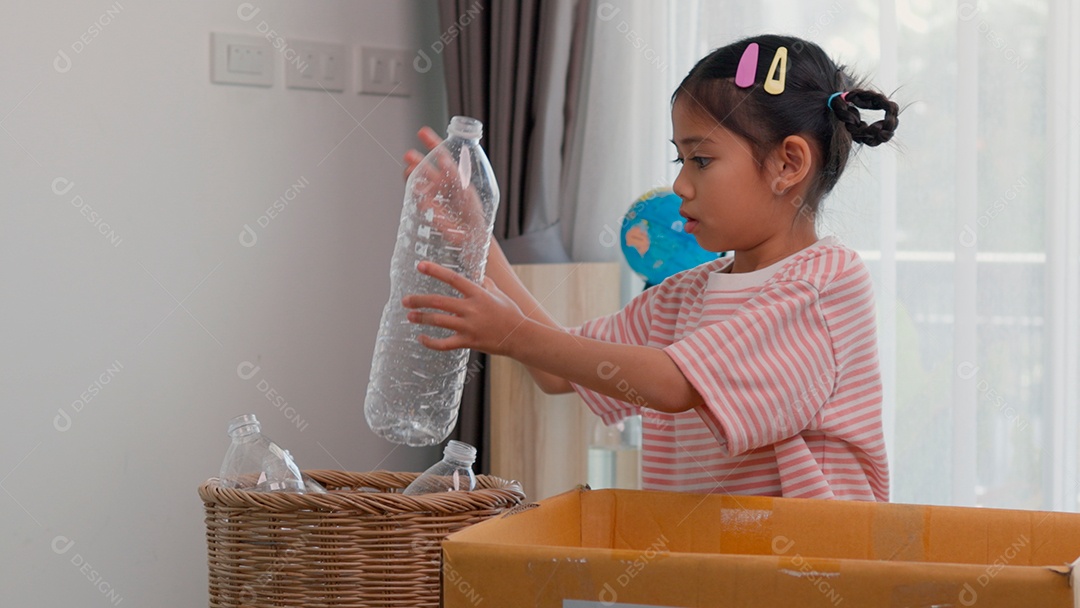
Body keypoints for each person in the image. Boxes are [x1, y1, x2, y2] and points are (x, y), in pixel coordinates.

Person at [401, 34, 899, 501]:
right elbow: (560, 370)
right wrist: (479, 240)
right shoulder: (682, 295)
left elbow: (675, 384)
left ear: (789, 165)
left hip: (810, 580)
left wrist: (512, 334)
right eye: (678, 160)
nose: (680, 185)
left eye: (700, 160)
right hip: (703, 573)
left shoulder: (825, 286)